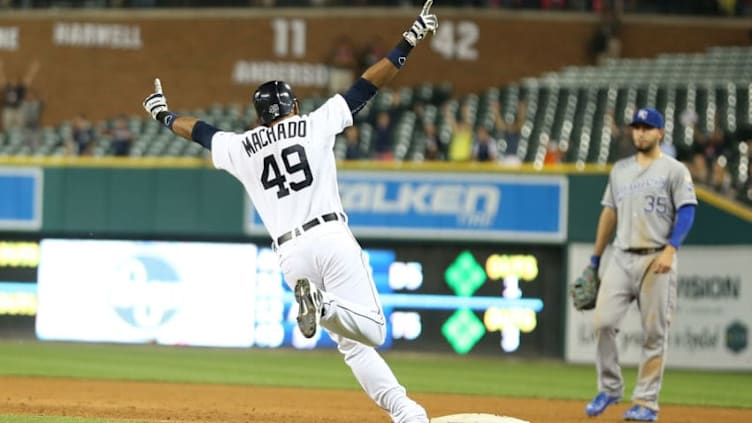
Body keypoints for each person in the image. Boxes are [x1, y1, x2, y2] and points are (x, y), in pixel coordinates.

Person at [141, 2, 438, 423]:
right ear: (293, 106)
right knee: (373, 330)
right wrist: (411, 38)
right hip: (330, 237)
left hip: (290, 256)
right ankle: (326, 307)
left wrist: (164, 114)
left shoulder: (243, 146)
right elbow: (368, 85)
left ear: (259, 117)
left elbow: (201, 132)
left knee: (353, 346)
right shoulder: (314, 123)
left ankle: (406, 413)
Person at [584, 107, 697, 422]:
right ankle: (609, 387)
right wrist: (594, 260)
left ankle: (646, 403)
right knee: (603, 322)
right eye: (636, 127)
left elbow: (687, 211)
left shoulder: (674, 170)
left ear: (660, 133)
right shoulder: (619, 170)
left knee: (653, 334)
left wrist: (671, 249)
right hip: (621, 256)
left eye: (647, 128)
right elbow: (609, 213)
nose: (640, 132)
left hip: (656, 257)